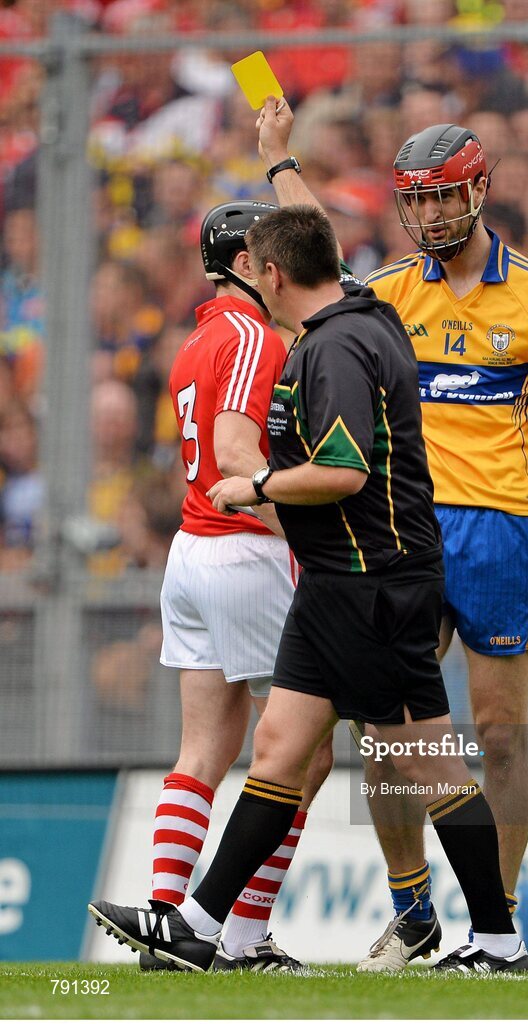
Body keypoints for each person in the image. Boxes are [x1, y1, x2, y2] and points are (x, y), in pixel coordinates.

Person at [89, 203, 528, 975]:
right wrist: (281, 162)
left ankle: (499, 941)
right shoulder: (360, 316)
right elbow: (313, 241)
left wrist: (256, 484)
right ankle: (194, 923)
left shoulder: (335, 346)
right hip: (334, 585)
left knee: (429, 762)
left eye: (261, 264)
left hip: (373, 581)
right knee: (279, 750)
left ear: (272, 273)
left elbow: (345, 470)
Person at [305, 117, 528, 970]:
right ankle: (411, 908)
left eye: (440, 198)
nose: (428, 217)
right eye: (414, 202)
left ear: (478, 190)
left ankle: (495, 933)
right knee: (388, 735)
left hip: (501, 530)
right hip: (404, 529)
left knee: (499, 737)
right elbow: (308, 256)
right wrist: (280, 150)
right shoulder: (386, 292)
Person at [128, 198, 335, 973]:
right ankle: (241, 937)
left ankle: (162, 919)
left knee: (203, 750)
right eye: (269, 255)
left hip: (191, 553)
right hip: (245, 552)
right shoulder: (251, 336)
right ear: (247, 265)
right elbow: (238, 453)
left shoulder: (197, 339)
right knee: (302, 758)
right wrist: (314, 537)